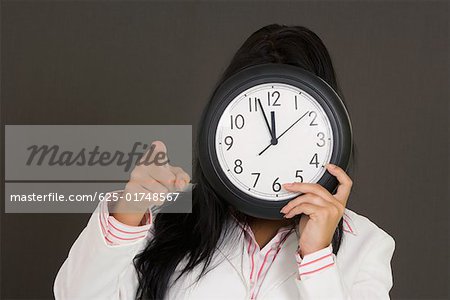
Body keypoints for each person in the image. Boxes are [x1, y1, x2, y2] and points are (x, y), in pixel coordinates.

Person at [54, 24, 395, 300]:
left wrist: (318, 257)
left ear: (329, 129)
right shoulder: (163, 217)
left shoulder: (364, 244)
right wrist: (126, 217)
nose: (275, 146)